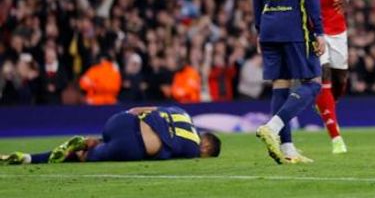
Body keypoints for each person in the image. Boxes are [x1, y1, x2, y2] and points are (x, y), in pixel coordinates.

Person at [253, 0, 326, 165]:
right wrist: (319, 30)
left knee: (281, 84)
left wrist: (258, 28)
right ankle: (271, 128)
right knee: (313, 83)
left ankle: (287, 149)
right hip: (294, 25)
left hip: (269, 25)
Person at [303, 0, 356, 155]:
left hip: (338, 27)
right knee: (322, 73)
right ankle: (336, 138)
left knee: (340, 79)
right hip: (314, 28)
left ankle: (325, 105)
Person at [0, 106, 221, 164]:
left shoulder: (182, 112)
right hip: (131, 146)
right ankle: (30, 158)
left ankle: (91, 141)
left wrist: (123, 116)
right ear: (206, 147)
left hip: (120, 121)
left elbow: (139, 109)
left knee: (100, 140)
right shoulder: (193, 148)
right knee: (81, 157)